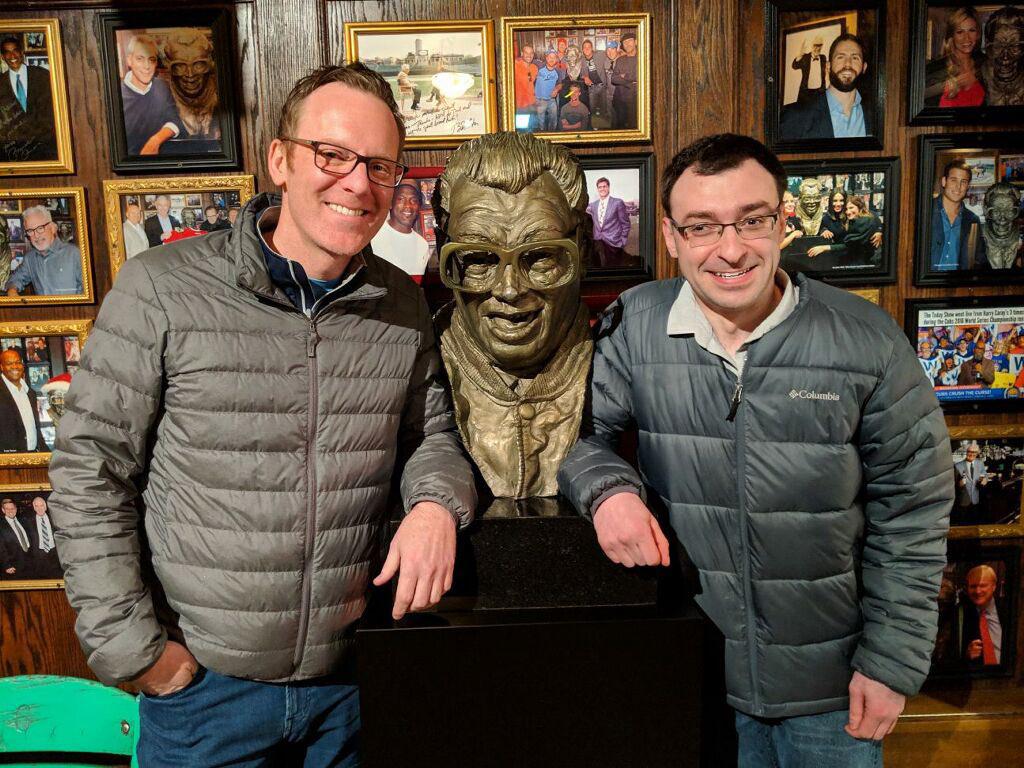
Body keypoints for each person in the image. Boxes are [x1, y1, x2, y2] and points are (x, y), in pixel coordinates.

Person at [47, 62, 476, 766]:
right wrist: (139, 655)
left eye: (380, 165)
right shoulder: (162, 288)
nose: (358, 183)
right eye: (331, 155)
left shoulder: (401, 304)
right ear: (280, 159)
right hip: (203, 696)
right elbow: (88, 473)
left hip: (349, 690)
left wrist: (435, 505)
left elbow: (431, 436)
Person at [558, 133, 952, 766]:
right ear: (670, 234)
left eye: (752, 221)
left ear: (782, 219)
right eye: (703, 227)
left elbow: (914, 512)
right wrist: (607, 493)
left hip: (833, 693)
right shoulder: (633, 323)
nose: (731, 249)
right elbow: (579, 437)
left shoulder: (865, 338)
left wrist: (892, 663)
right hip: (688, 677)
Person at [433, 131, 592, 499]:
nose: (509, 289)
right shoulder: (415, 361)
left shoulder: (620, 356)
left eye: (540, 256)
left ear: (582, 248)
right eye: (478, 258)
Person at [779, 33, 873, 140]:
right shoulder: (794, 117)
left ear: (864, 67)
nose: (848, 64)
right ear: (828, 66)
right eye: (840, 57)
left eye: (855, 58)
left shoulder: (877, 118)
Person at [120, 34, 183, 156]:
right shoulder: (118, 95)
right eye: (140, 58)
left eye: (151, 59)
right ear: (129, 60)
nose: (147, 66)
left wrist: (156, 140)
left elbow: (175, 121)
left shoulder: (162, 87)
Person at [0, 35, 57, 161]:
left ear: (22, 53)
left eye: (15, 50)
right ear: (3, 57)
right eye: (7, 52)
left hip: (46, 148)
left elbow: (53, 112)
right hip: (14, 153)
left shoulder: (43, 76)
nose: (12, 56)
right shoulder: (1, 83)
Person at [5, 205, 83, 296]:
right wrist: (12, 290)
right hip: (43, 311)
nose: (36, 236)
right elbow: (15, 280)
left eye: (40, 228)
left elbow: (88, 292)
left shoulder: (74, 254)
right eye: (30, 231)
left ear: (52, 228)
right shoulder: (30, 259)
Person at [924, 7, 985, 107]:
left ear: (978, 34)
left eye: (971, 30)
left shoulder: (985, 64)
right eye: (960, 32)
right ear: (951, 35)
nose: (967, 38)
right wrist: (946, 86)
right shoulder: (935, 69)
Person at [370, 181, 431, 278]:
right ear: (390, 203)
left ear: (419, 206)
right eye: (401, 199)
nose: (408, 206)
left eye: (413, 200)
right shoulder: (372, 237)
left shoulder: (422, 245)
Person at [929, 159, 981, 271]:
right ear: (944, 181)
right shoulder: (925, 211)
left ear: (968, 186)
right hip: (925, 283)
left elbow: (978, 258)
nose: (958, 186)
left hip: (957, 284)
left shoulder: (972, 219)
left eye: (963, 182)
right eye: (953, 180)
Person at [806, 195, 880, 266]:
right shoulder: (852, 220)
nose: (848, 211)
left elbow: (849, 245)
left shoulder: (865, 221)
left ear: (860, 208)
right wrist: (824, 230)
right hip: (849, 258)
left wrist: (824, 248)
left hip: (863, 261)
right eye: (846, 209)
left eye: (851, 208)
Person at [0, 348, 47, 453]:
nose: (15, 366)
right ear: (2, 367)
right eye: (9, 363)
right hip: (6, 462)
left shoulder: (30, 393)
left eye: (18, 362)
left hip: (33, 457)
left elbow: (35, 429)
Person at [957, 565, 1003, 666]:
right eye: (973, 586)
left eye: (983, 586)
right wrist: (966, 655)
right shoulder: (959, 615)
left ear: (994, 586)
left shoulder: (1008, 609)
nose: (978, 591)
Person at [980, 5, 1024, 106]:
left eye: (1015, 46)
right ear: (987, 45)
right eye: (997, 46)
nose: (1005, 57)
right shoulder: (978, 75)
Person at [586, 176, 631, 267]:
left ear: (608, 188)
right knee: (598, 267)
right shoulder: (593, 205)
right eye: (600, 187)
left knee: (613, 268)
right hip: (597, 241)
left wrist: (622, 241)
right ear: (597, 189)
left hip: (614, 243)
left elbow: (625, 223)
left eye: (604, 186)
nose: (602, 189)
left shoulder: (617, 203)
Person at [979, 182, 1022, 270]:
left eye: (1009, 211)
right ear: (986, 211)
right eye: (996, 211)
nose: (1002, 218)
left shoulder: (1020, 239)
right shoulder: (976, 239)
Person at [610, 31, 638, 130]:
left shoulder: (643, 57)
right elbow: (613, 79)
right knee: (619, 127)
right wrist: (631, 81)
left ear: (636, 42)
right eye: (625, 42)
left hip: (635, 100)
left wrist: (623, 76)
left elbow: (639, 76)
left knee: (634, 127)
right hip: (619, 100)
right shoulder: (620, 60)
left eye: (630, 41)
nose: (627, 44)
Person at [27, 495, 60, 579]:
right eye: (36, 506)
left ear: (45, 506)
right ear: (34, 508)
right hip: (38, 556)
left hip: (55, 554)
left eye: (41, 505)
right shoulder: (28, 521)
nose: (39, 508)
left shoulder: (55, 518)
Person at [0, 497, 34, 577]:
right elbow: (1, 548)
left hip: (31, 563)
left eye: (12, 508)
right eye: (7, 509)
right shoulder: (1, 526)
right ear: (3, 510)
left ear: (16, 509)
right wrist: (6, 565)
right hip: (14, 567)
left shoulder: (24, 521)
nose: (10, 511)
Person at [791, 34, 828, 103]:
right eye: (815, 45)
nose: (817, 48)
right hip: (806, 93)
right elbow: (794, 66)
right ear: (811, 45)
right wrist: (799, 55)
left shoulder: (823, 57)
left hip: (819, 92)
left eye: (820, 45)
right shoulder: (805, 57)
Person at [955, 441, 989, 510]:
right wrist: (959, 484)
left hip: (976, 500)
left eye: (974, 452)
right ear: (966, 452)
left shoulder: (980, 463)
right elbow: (952, 484)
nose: (972, 454)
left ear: (977, 453)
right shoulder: (957, 466)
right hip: (963, 501)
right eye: (970, 451)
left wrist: (985, 479)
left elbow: (985, 475)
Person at [533, 50, 563, 132]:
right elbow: (528, 58)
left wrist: (556, 89)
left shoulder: (558, 71)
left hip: (551, 100)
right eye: (550, 57)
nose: (552, 59)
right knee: (541, 123)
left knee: (553, 122)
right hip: (539, 100)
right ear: (546, 58)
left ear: (556, 59)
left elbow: (560, 84)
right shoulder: (539, 65)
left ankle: (551, 138)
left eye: (554, 57)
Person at [513, 43, 538, 131]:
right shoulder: (514, 66)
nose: (529, 55)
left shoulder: (534, 68)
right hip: (520, 106)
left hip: (532, 105)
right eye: (526, 53)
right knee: (522, 132)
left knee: (533, 131)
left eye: (531, 53)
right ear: (522, 53)